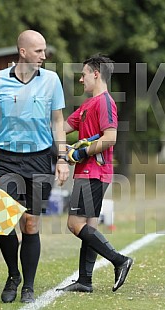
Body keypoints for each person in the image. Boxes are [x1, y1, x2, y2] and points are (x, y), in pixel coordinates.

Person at [0, 30, 69, 303]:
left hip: (40, 159)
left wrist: (61, 157)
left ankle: (28, 285)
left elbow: (58, 120)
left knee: (30, 223)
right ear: (23, 52)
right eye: (38, 50)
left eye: (44, 50)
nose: (44, 55)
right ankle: (12, 275)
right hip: (4, 158)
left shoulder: (51, 80)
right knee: (4, 223)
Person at [57, 55, 133, 294]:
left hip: (94, 172)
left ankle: (119, 260)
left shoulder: (105, 102)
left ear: (96, 73)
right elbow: (59, 128)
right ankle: (85, 280)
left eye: (84, 74)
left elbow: (110, 138)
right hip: (86, 172)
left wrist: (81, 152)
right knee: (89, 224)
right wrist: (64, 149)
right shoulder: (86, 106)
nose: (81, 79)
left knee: (74, 224)